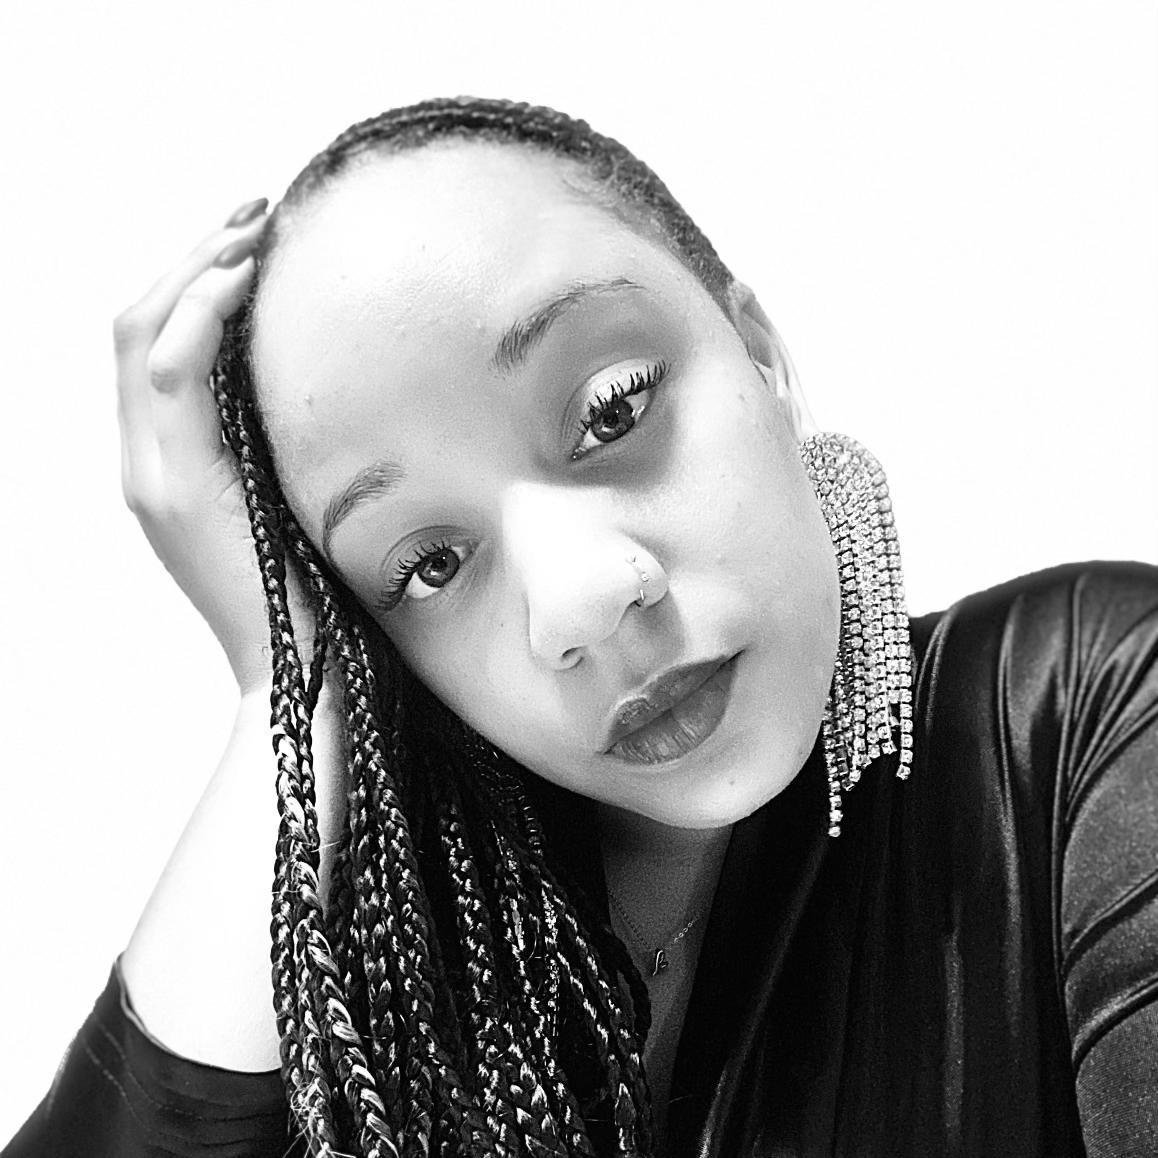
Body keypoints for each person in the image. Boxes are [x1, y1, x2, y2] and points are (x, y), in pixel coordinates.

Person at [4, 96, 1156, 1158]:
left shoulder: (1086, 706)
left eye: (612, 412)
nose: (581, 605)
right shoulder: (397, 990)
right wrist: (291, 693)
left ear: (756, 350)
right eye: (429, 565)